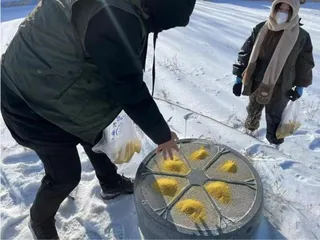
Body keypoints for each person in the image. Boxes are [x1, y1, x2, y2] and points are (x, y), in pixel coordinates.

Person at [0, 0, 196, 238]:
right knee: (65, 175)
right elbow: (126, 85)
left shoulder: (130, 8)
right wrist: (162, 135)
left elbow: (119, 69)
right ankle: (39, 220)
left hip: (58, 77)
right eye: (161, 25)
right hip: (28, 95)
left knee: (95, 127)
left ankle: (110, 183)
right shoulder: (114, 18)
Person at [232, 0, 314, 145]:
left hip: (282, 85)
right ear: (274, 9)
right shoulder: (261, 28)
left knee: (275, 117)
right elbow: (246, 52)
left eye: (287, 9)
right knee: (253, 110)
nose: (283, 12)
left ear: (294, 11)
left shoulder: (301, 36)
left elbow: (305, 63)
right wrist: (239, 77)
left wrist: (300, 86)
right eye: (280, 8)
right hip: (257, 80)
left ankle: (274, 145)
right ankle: (248, 137)